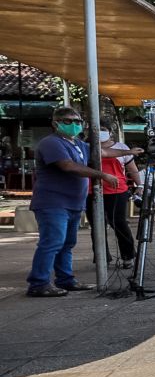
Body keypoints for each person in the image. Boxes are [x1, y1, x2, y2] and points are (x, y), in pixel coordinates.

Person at [26, 106, 116, 297]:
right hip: (53, 202)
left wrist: (130, 152)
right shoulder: (51, 143)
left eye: (77, 122)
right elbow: (68, 166)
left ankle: (65, 280)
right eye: (68, 121)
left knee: (67, 244)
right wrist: (102, 175)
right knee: (52, 242)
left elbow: (102, 153)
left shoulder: (78, 144)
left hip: (74, 203)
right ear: (55, 123)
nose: (73, 125)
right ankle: (38, 283)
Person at [98, 125, 141, 269]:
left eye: (103, 128)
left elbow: (132, 169)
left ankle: (128, 256)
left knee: (118, 222)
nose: (100, 132)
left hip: (117, 191)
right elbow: (102, 153)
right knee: (97, 226)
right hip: (93, 191)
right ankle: (101, 257)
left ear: (110, 132)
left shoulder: (121, 147)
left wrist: (139, 186)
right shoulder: (87, 146)